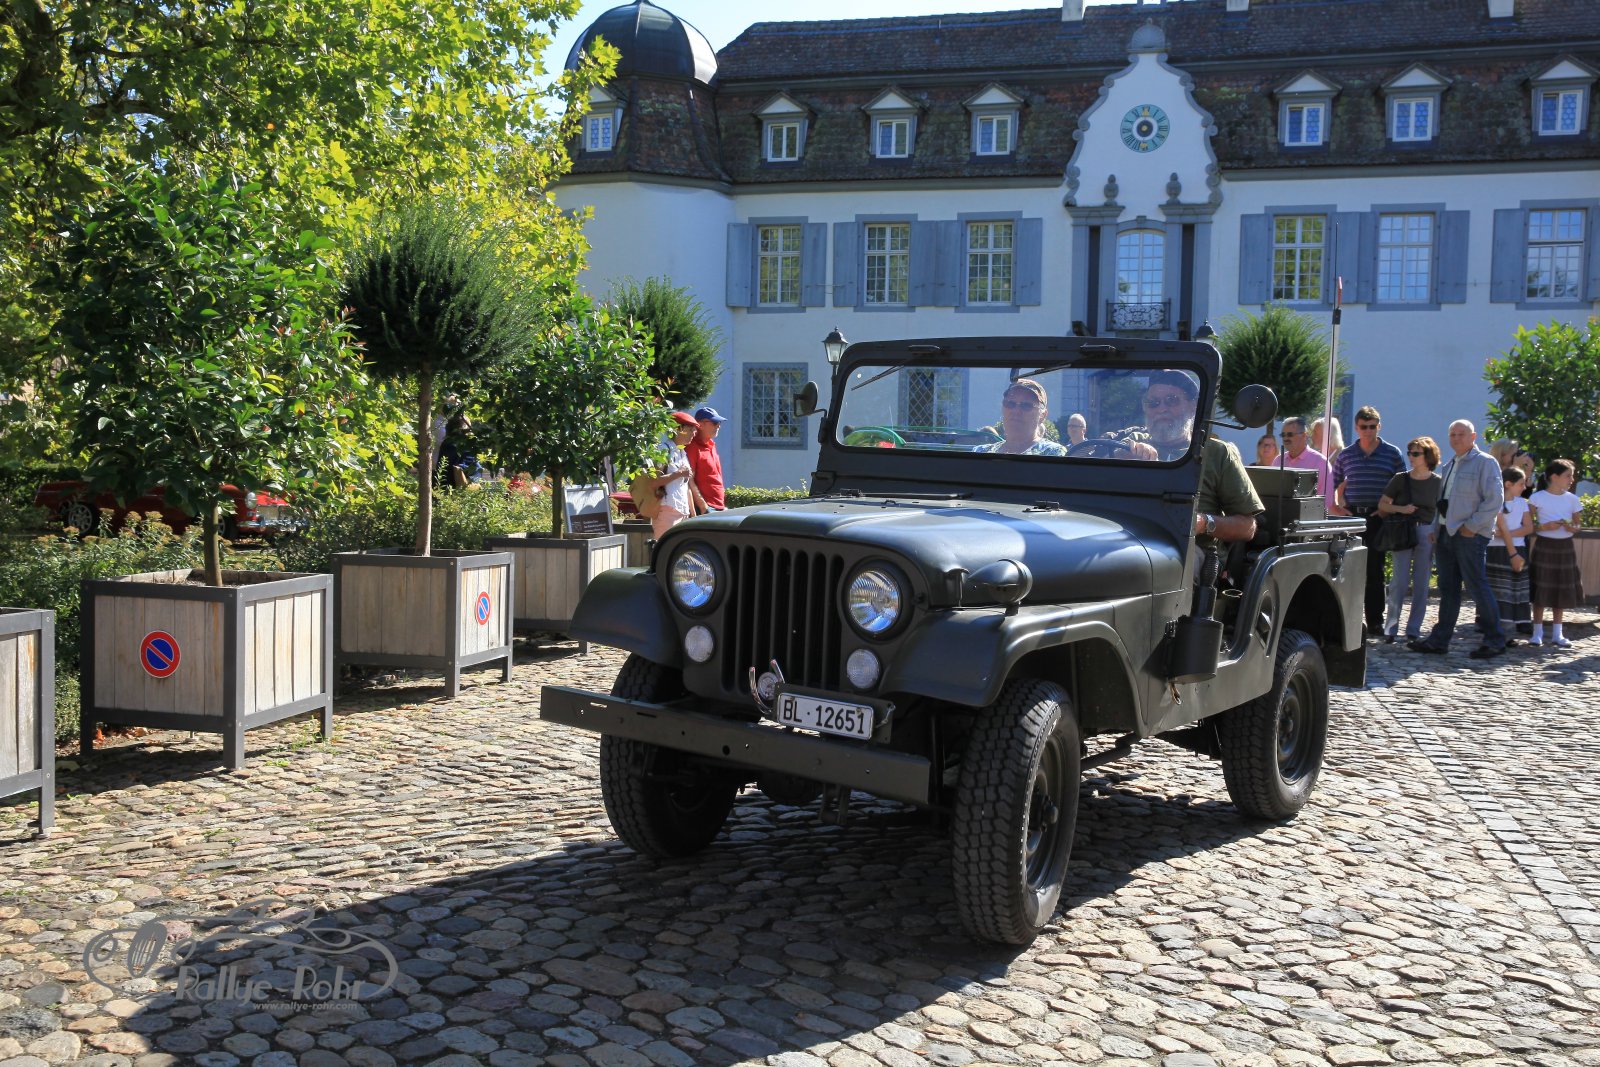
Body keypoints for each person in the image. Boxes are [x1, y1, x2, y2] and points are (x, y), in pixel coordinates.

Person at [1121, 370, 1261, 543]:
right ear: (1145, 408)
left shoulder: (1217, 452)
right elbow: (1101, 454)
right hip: (1131, 540)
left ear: (1193, 406)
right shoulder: (1131, 442)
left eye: (1172, 400)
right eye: (1153, 403)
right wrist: (1124, 455)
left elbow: (1247, 527)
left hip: (1191, 549)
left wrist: (1203, 523)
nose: (1162, 409)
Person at [1409, 420, 1507, 659]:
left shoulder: (1485, 462)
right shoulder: (1450, 464)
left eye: (1461, 434)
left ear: (1473, 436)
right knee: (1448, 588)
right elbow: (1442, 501)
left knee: (1476, 586)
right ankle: (1439, 640)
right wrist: (1436, 527)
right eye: (1452, 434)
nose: (1456, 438)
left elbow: (1494, 500)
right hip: (1446, 533)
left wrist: (1472, 527)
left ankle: (1495, 640)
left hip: (1470, 536)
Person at [1330, 406, 1406, 637]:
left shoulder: (1391, 453)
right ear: (1357, 428)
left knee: (1375, 571)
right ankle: (1348, 620)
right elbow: (1333, 482)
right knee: (1348, 569)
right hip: (1353, 517)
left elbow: (1403, 485)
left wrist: (1386, 510)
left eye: (1372, 426)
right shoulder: (1346, 455)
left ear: (1379, 426)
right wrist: (1337, 507)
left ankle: (1374, 621)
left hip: (1378, 517)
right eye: (1364, 427)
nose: (1368, 431)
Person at [1379, 436, 1442, 643]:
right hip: (1403, 531)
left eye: (1416, 453)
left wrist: (1437, 531)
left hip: (1426, 531)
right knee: (1399, 581)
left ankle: (1414, 629)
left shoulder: (1438, 482)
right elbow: (1383, 505)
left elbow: (1442, 510)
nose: (1411, 457)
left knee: (1422, 582)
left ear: (1428, 456)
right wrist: (1401, 509)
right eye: (1410, 453)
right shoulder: (1400, 479)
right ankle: (1391, 627)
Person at [1527, 458, 1585, 648]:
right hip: (1544, 545)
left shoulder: (1572, 499)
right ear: (1554, 477)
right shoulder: (1537, 498)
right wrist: (1545, 526)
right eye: (1568, 476)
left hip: (1565, 547)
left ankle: (1557, 634)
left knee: (1561, 587)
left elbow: (1577, 525)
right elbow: (1528, 524)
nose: (1571, 479)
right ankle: (1537, 633)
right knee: (1541, 587)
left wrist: (1572, 528)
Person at [1486, 466, 1533, 645]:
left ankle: (1515, 625)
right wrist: (1501, 534)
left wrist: (1507, 535)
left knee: (1515, 589)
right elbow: (1492, 529)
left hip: (1518, 548)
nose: (1524, 487)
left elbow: (1528, 528)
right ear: (1508, 484)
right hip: (1496, 550)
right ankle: (1497, 628)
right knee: (1499, 589)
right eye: (1520, 484)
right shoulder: (1495, 502)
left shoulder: (1522, 503)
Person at [647, 412, 706, 537]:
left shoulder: (682, 453)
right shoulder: (663, 450)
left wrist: (693, 515)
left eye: (694, 430)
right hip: (666, 511)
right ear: (678, 429)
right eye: (690, 429)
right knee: (665, 547)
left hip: (683, 513)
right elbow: (653, 482)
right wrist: (678, 474)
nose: (694, 433)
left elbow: (686, 487)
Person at [973, 379, 1068, 456]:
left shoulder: (1053, 453)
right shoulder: (981, 452)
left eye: (1026, 405)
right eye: (1010, 403)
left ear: (1042, 415)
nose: (1016, 411)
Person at [1276, 416, 1332, 498]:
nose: (1285, 438)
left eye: (1290, 434)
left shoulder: (1320, 463)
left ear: (1303, 435)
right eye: (1283, 435)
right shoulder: (1278, 461)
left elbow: (1326, 499)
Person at [687, 405, 727, 512]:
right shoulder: (692, 446)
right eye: (715, 423)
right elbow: (689, 479)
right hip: (706, 507)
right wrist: (703, 506)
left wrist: (722, 505)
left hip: (718, 506)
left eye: (719, 423)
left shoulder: (711, 444)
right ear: (700, 424)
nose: (718, 426)